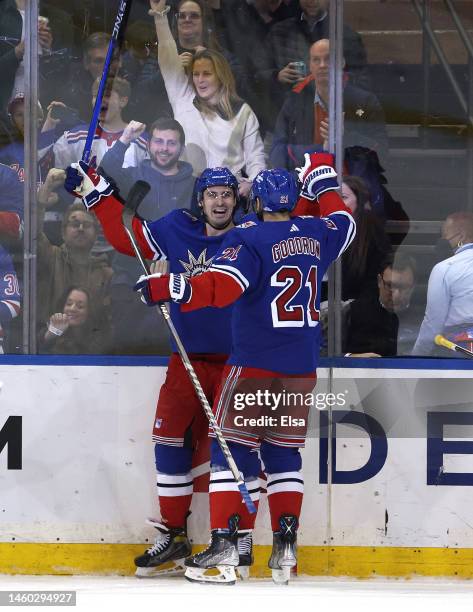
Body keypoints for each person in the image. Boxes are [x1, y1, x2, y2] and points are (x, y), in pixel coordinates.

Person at [130, 154, 356, 584]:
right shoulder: (316, 232)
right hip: (300, 368)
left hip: (252, 363)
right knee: (284, 454)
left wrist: (169, 286)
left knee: (228, 454)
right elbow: (346, 223)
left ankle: (225, 551)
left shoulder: (248, 238)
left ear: (255, 203)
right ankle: (285, 548)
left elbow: (219, 287)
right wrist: (323, 180)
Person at [64, 161, 251, 577]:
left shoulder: (250, 234)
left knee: (232, 451)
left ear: (236, 198)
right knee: (167, 440)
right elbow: (128, 237)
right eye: (211, 195)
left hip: (239, 361)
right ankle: (175, 535)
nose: (220, 202)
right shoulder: (177, 227)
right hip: (186, 358)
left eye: (226, 194)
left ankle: (233, 538)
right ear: (198, 200)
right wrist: (97, 195)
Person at [150, 0, 265, 197]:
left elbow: (256, 156)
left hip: (228, 196)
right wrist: (160, 17)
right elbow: (168, 60)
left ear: (221, 76)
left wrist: (253, 183)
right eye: (196, 74)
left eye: (207, 74)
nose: (200, 80)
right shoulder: (183, 97)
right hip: (186, 193)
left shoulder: (242, 111)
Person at [99, 116, 194, 353]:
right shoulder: (132, 177)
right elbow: (102, 174)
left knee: (172, 352)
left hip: (178, 284)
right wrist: (125, 139)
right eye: (158, 141)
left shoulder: (196, 186)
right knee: (128, 350)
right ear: (149, 144)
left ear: (181, 148)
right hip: (130, 280)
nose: (164, 148)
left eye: (171, 143)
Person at [270, 38, 387, 171]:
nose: (322, 65)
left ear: (342, 62)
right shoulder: (294, 101)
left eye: (328, 59)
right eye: (316, 60)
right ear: (310, 66)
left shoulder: (365, 101)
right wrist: (321, 151)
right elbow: (276, 152)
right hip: (305, 180)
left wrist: (345, 137)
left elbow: (382, 153)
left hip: (351, 182)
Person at [37, 169, 112, 341]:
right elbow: (33, 235)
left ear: (95, 235)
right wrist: (45, 190)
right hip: (50, 344)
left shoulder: (105, 273)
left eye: (86, 225)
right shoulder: (51, 256)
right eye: (75, 224)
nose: (80, 228)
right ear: (63, 233)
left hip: (91, 349)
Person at [412, 212, 473, 356]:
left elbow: (433, 323)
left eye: (445, 236)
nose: (443, 240)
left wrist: (416, 357)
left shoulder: (445, 268)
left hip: (461, 348)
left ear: (461, 236)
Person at [344, 252, 422, 357]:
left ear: (413, 286)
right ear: (379, 281)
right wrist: (351, 357)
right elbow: (325, 353)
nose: (396, 295)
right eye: (390, 285)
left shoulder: (425, 319)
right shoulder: (354, 312)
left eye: (403, 287)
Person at [337, 175, 391, 301]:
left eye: (343, 197)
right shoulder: (327, 228)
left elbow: (374, 278)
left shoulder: (371, 231)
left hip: (360, 307)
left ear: (359, 200)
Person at [39, 285, 111, 354]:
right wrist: (52, 334)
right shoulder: (50, 329)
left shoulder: (102, 339)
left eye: (80, 306)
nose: (72, 309)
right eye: (69, 304)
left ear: (90, 312)